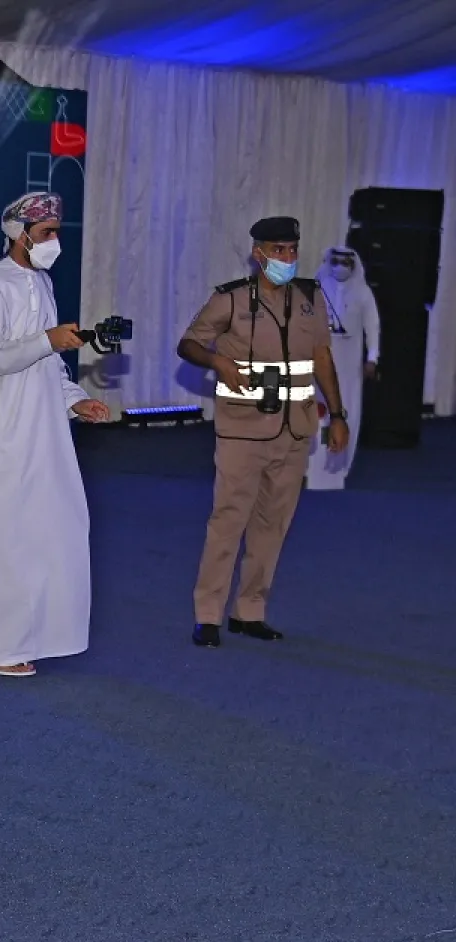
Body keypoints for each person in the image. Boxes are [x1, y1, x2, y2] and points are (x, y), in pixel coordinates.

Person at [0, 192, 109, 677]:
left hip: (42, 435)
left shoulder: (43, 283)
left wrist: (75, 399)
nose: (55, 241)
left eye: (57, 232)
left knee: (49, 531)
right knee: (2, 541)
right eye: (47, 232)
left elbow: (46, 363)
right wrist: (47, 340)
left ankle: (31, 635)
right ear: (21, 233)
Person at [178, 216, 348, 647]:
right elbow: (189, 343)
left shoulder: (311, 297)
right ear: (259, 254)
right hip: (243, 427)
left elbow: (322, 358)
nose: (287, 258)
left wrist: (339, 414)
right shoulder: (231, 300)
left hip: (296, 428)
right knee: (228, 520)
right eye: (278, 250)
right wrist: (218, 362)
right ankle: (208, 616)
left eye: (292, 250)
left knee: (273, 523)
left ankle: (250, 610)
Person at [306, 246, 380, 491]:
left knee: (347, 410)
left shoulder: (363, 292)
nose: (340, 267)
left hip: (349, 366)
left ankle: (340, 465)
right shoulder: (318, 288)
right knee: (318, 410)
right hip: (321, 361)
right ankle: (312, 465)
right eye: (335, 261)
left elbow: (373, 327)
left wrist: (373, 358)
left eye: (345, 262)